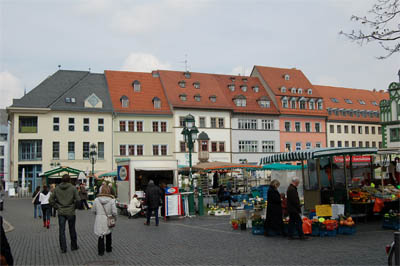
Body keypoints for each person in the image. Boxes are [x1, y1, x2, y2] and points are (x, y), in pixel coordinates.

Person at [49, 174, 81, 253]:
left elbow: (51, 200)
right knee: (72, 229)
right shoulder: (73, 188)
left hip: (61, 212)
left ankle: (63, 248)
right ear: (69, 180)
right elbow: (78, 200)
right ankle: (74, 246)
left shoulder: (57, 189)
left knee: (61, 231)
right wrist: (75, 207)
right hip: (71, 212)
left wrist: (57, 207)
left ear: (61, 180)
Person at [92, 185, 117, 256]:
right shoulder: (111, 200)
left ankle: (101, 251)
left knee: (101, 235)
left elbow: (93, 210)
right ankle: (109, 248)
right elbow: (114, 212)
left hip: (99, 219)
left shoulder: (96, 200)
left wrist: (97, 214)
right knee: (109, 233)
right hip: (108, 218)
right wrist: (114, 217)